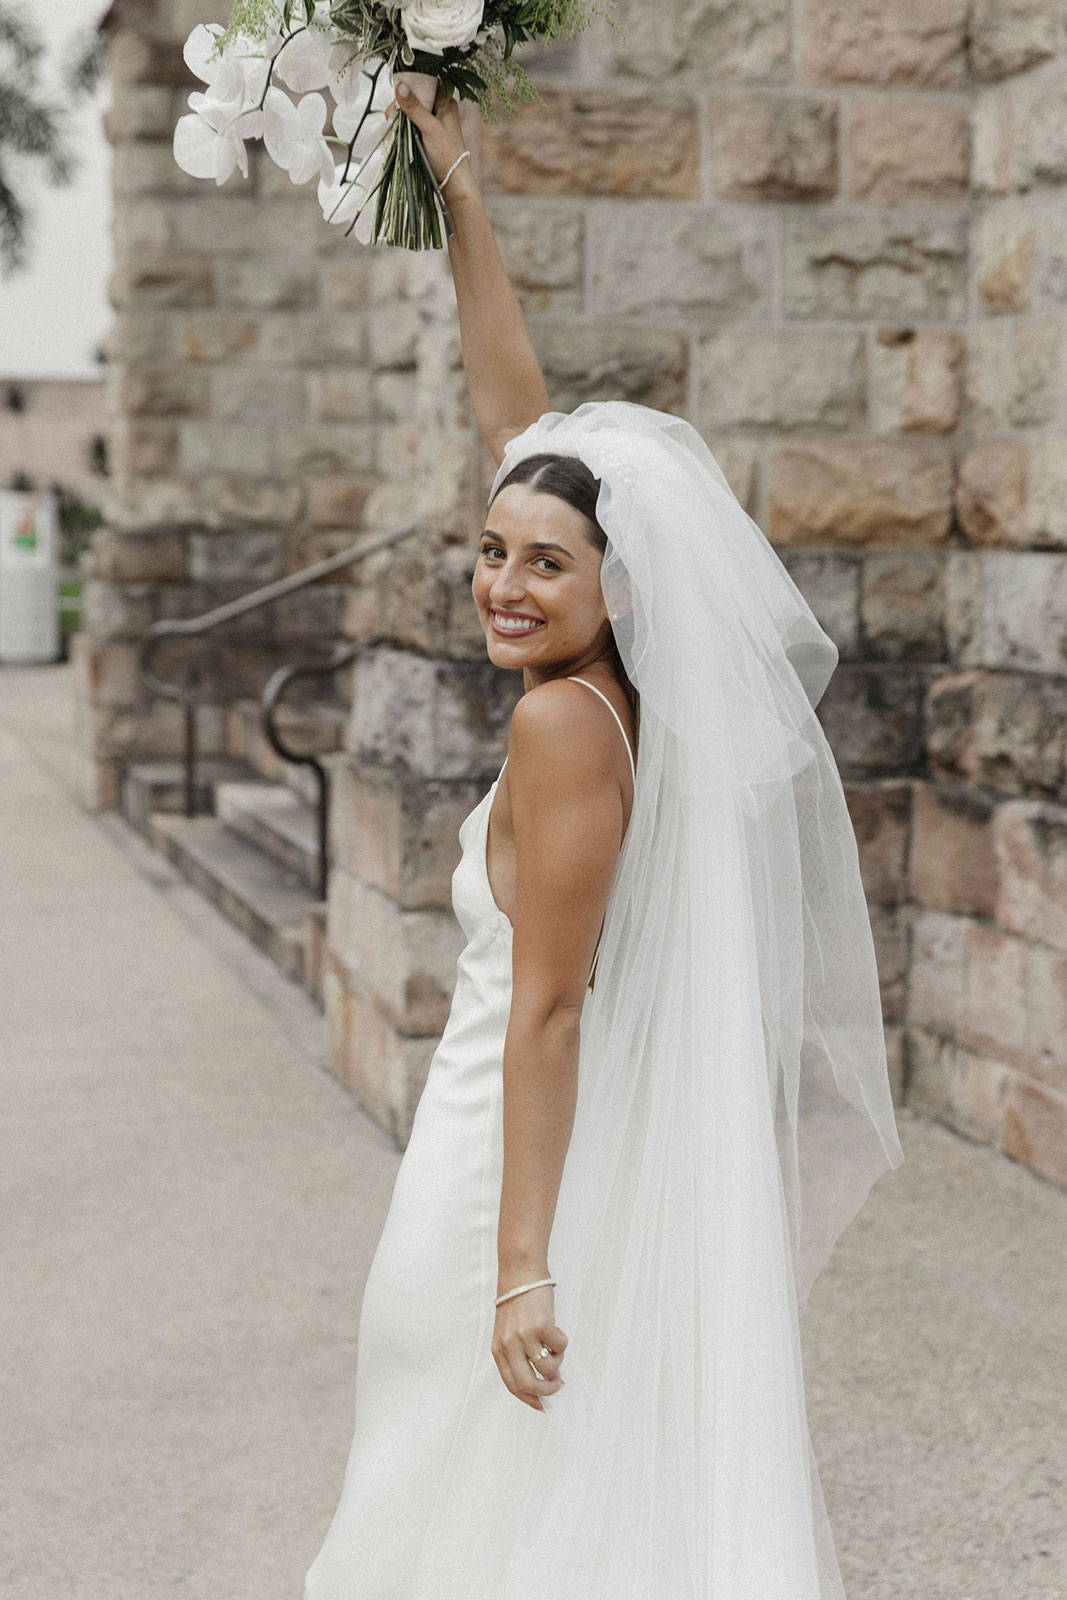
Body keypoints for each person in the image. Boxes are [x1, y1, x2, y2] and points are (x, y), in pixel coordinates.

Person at [304, 79, 905, 1600]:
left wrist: (517, 1261)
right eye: (493, 550)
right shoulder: (623, 685)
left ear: (618, 584)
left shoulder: (564, 727)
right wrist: (457, 189)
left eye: (545, 565)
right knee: (505, 1477)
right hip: (538, 1145)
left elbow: (555, 1005)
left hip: (503, 1159)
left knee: (437, 1443)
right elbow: (520, 422)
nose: (505, 581)